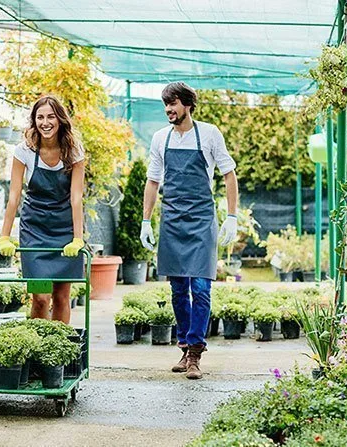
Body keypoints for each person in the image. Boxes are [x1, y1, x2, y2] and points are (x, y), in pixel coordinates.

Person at [140, 82, 239, 380]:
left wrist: (232, 216)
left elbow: (229, 174)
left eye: (173, 103)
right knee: (178, 290)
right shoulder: (160, 138)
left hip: (201, 219)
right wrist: (146, 220)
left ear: (187, 104)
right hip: (171, 218)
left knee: (201, 287)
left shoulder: (209, 134)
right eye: (165, 105)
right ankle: (184, 346)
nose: (168, 109)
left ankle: (196, 351)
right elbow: (153, 181)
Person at [0, 95, 86, 324]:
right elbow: (14, 196)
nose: (45, 122)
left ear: (60, 120)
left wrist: (77, 239)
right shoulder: (24, 150)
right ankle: (38, 351)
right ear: (34, 121)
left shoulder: (74, 152)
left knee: (61, 297)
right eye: (40, 117)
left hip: (63, 228)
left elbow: (76, 197)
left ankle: (58, 352)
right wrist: (4, 236)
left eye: (50, 116)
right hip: (34, 229)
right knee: (40, 298)